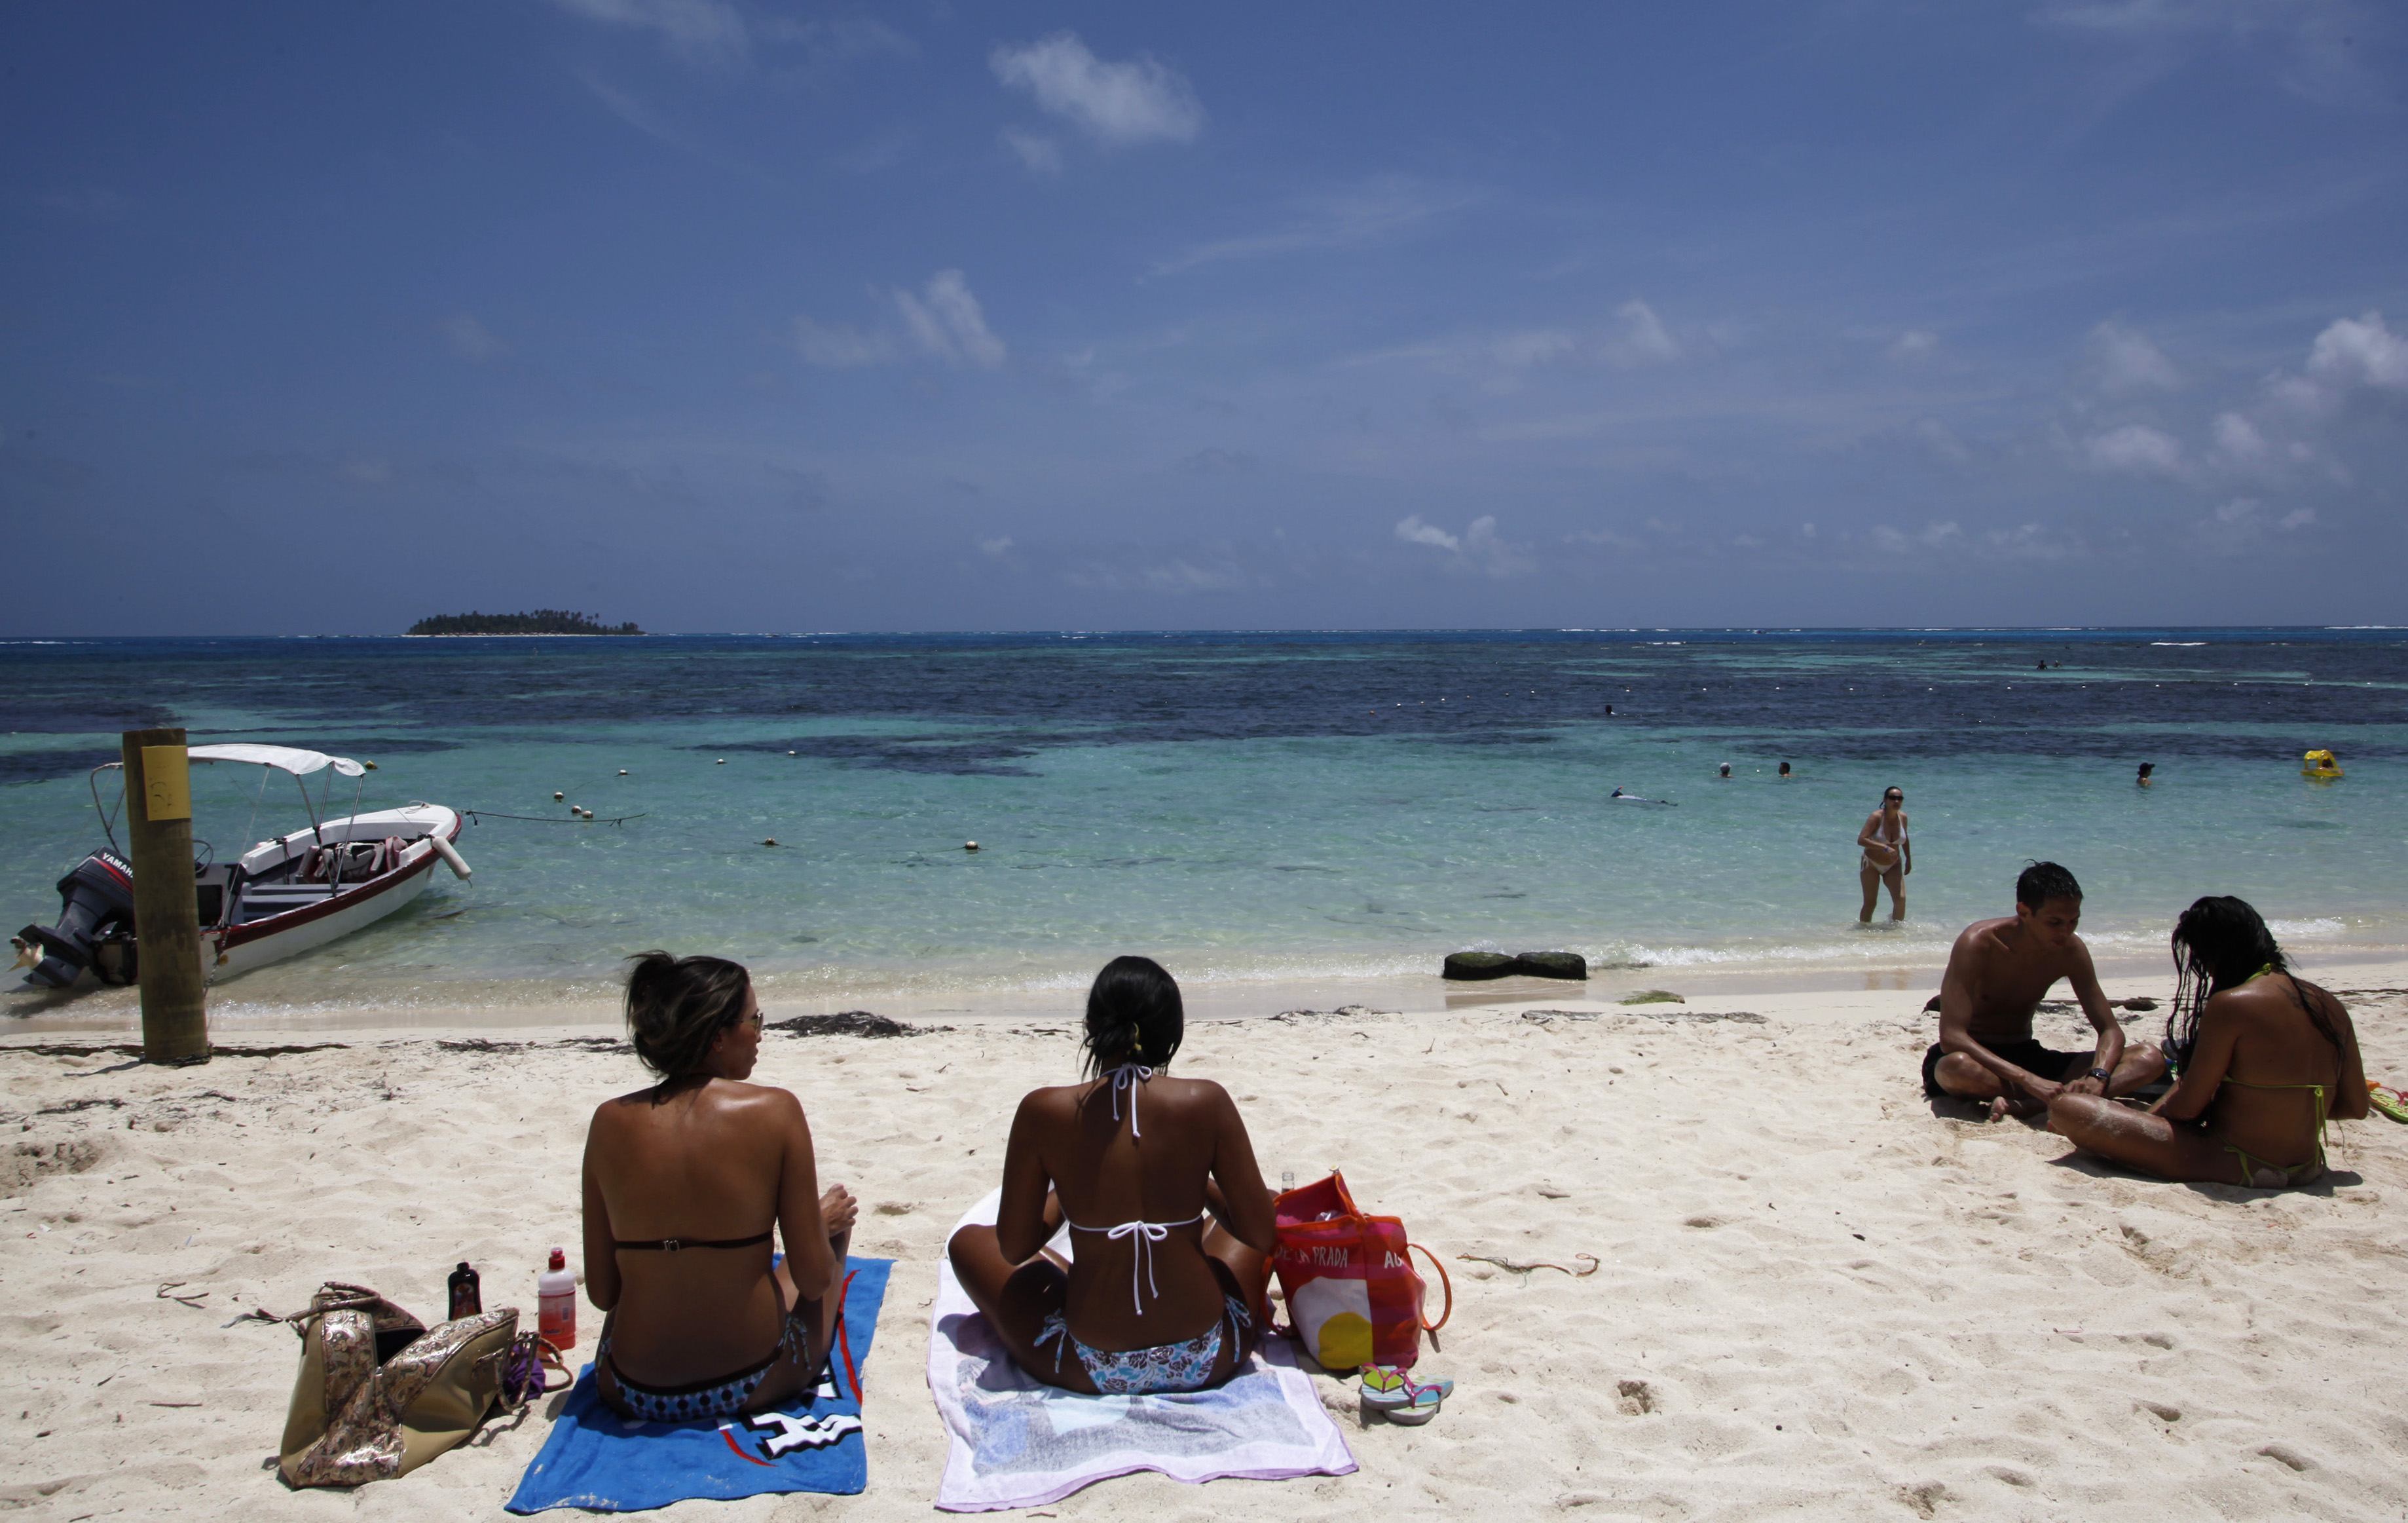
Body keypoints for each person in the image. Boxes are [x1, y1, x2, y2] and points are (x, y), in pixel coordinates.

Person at [948, 956, 1277, 1395]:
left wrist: (1074, 1194)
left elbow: (1015, 1246)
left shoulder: (1043, 1110)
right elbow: (1260, 1232)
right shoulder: (1206, 1100)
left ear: (1092, 1026)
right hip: (1208, 1353)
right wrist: (1196, 1186)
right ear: (1171, 1035)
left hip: (1091, 1364)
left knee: (969, 1241)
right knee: (1265, 1200)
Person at [582, 952, 859, 1421]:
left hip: (630, 1386)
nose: (760, 1032)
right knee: (830, 1226)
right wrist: (816, 1223)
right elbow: (813, 1279)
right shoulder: (775, 1110)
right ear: (717, 1036)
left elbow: (604, 1293)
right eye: (754, 1020)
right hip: (752, 1379)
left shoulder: (608, 1122)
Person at [2050, 898, 2367, 1188]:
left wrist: (2147, 1122)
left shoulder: (2233, 1004)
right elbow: (2355, 1106)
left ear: (2213, 955)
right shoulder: (2329, 1005)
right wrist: (2283, 1108)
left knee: (2068, 1109)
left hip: (2241, 1163)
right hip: (2309, 1166)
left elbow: (2188, 1107)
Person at [1923, 862, 2165, 1120]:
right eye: (2055, 922)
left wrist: (2099, 1075)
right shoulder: (1978, 943)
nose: (2066, 931)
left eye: (2074, 921)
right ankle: (2051, 1099)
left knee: (2149, 1058)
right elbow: (1952, 1037)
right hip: (1978, 1056)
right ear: (2024, 912)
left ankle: (2035, 1105)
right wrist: (2027, 1080)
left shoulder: (2070, 951)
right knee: (1954, 1068)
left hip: (2028, 1053)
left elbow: (2110, 1030)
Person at [1856, 786, 1911, 922]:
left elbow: (1905, 839)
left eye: (1900, 798)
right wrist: (1884, 848)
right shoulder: (1876, 817)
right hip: (1871, 864)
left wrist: (1909, 859)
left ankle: (1895, 932)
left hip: (1894, 864)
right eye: (1893, 798)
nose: (1896, 801)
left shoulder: (1903, 817)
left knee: (1901, 899)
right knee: (1871, 903)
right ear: (1885, 800)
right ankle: (1863, 933)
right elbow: (1862, 840)